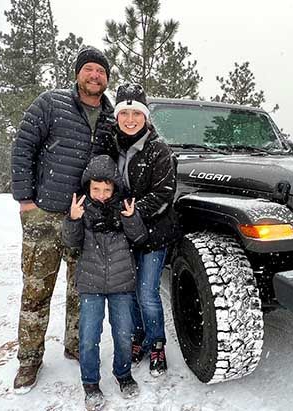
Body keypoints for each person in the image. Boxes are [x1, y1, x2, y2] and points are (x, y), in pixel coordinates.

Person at [10, 45, 114, 393]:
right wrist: (25, 200)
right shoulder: (51, 103)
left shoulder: (112, 117)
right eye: (89, 69)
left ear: (107, 78)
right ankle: (29, 360)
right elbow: (23, 146)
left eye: (101, 71)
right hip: (45, 212)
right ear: (77, 74)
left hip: (85, 216)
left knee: (80, 289)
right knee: (37, 290)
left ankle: (75, 343)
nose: (95, 75)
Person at [62, 155, 147, 409]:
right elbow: (71, 242)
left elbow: (140, 237)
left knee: (123, 335)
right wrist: (73, 219)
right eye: (95, 189)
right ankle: (90, 383)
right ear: (88, 187)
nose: (101, 194)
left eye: (106, 189)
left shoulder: (124, 208)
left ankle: (123, 374)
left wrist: (131, 218)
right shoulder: (81, 210)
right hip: (90, 284)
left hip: (121, 284)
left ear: (114, 189)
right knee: (88, 337)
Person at [108, 83, 181, 377]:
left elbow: (164, 193)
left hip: (154, 233)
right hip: (123, 233)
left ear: (145, 117)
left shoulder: (158, 149)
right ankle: (138, 337)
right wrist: (118, 215)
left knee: (147, 292)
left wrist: (134, 213)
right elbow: (103, 183)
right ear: (116, 117)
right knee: (130, 291)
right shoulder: (111, 146)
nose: (129, 119)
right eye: (123, 113)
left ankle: (157, 344)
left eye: (135, 113)